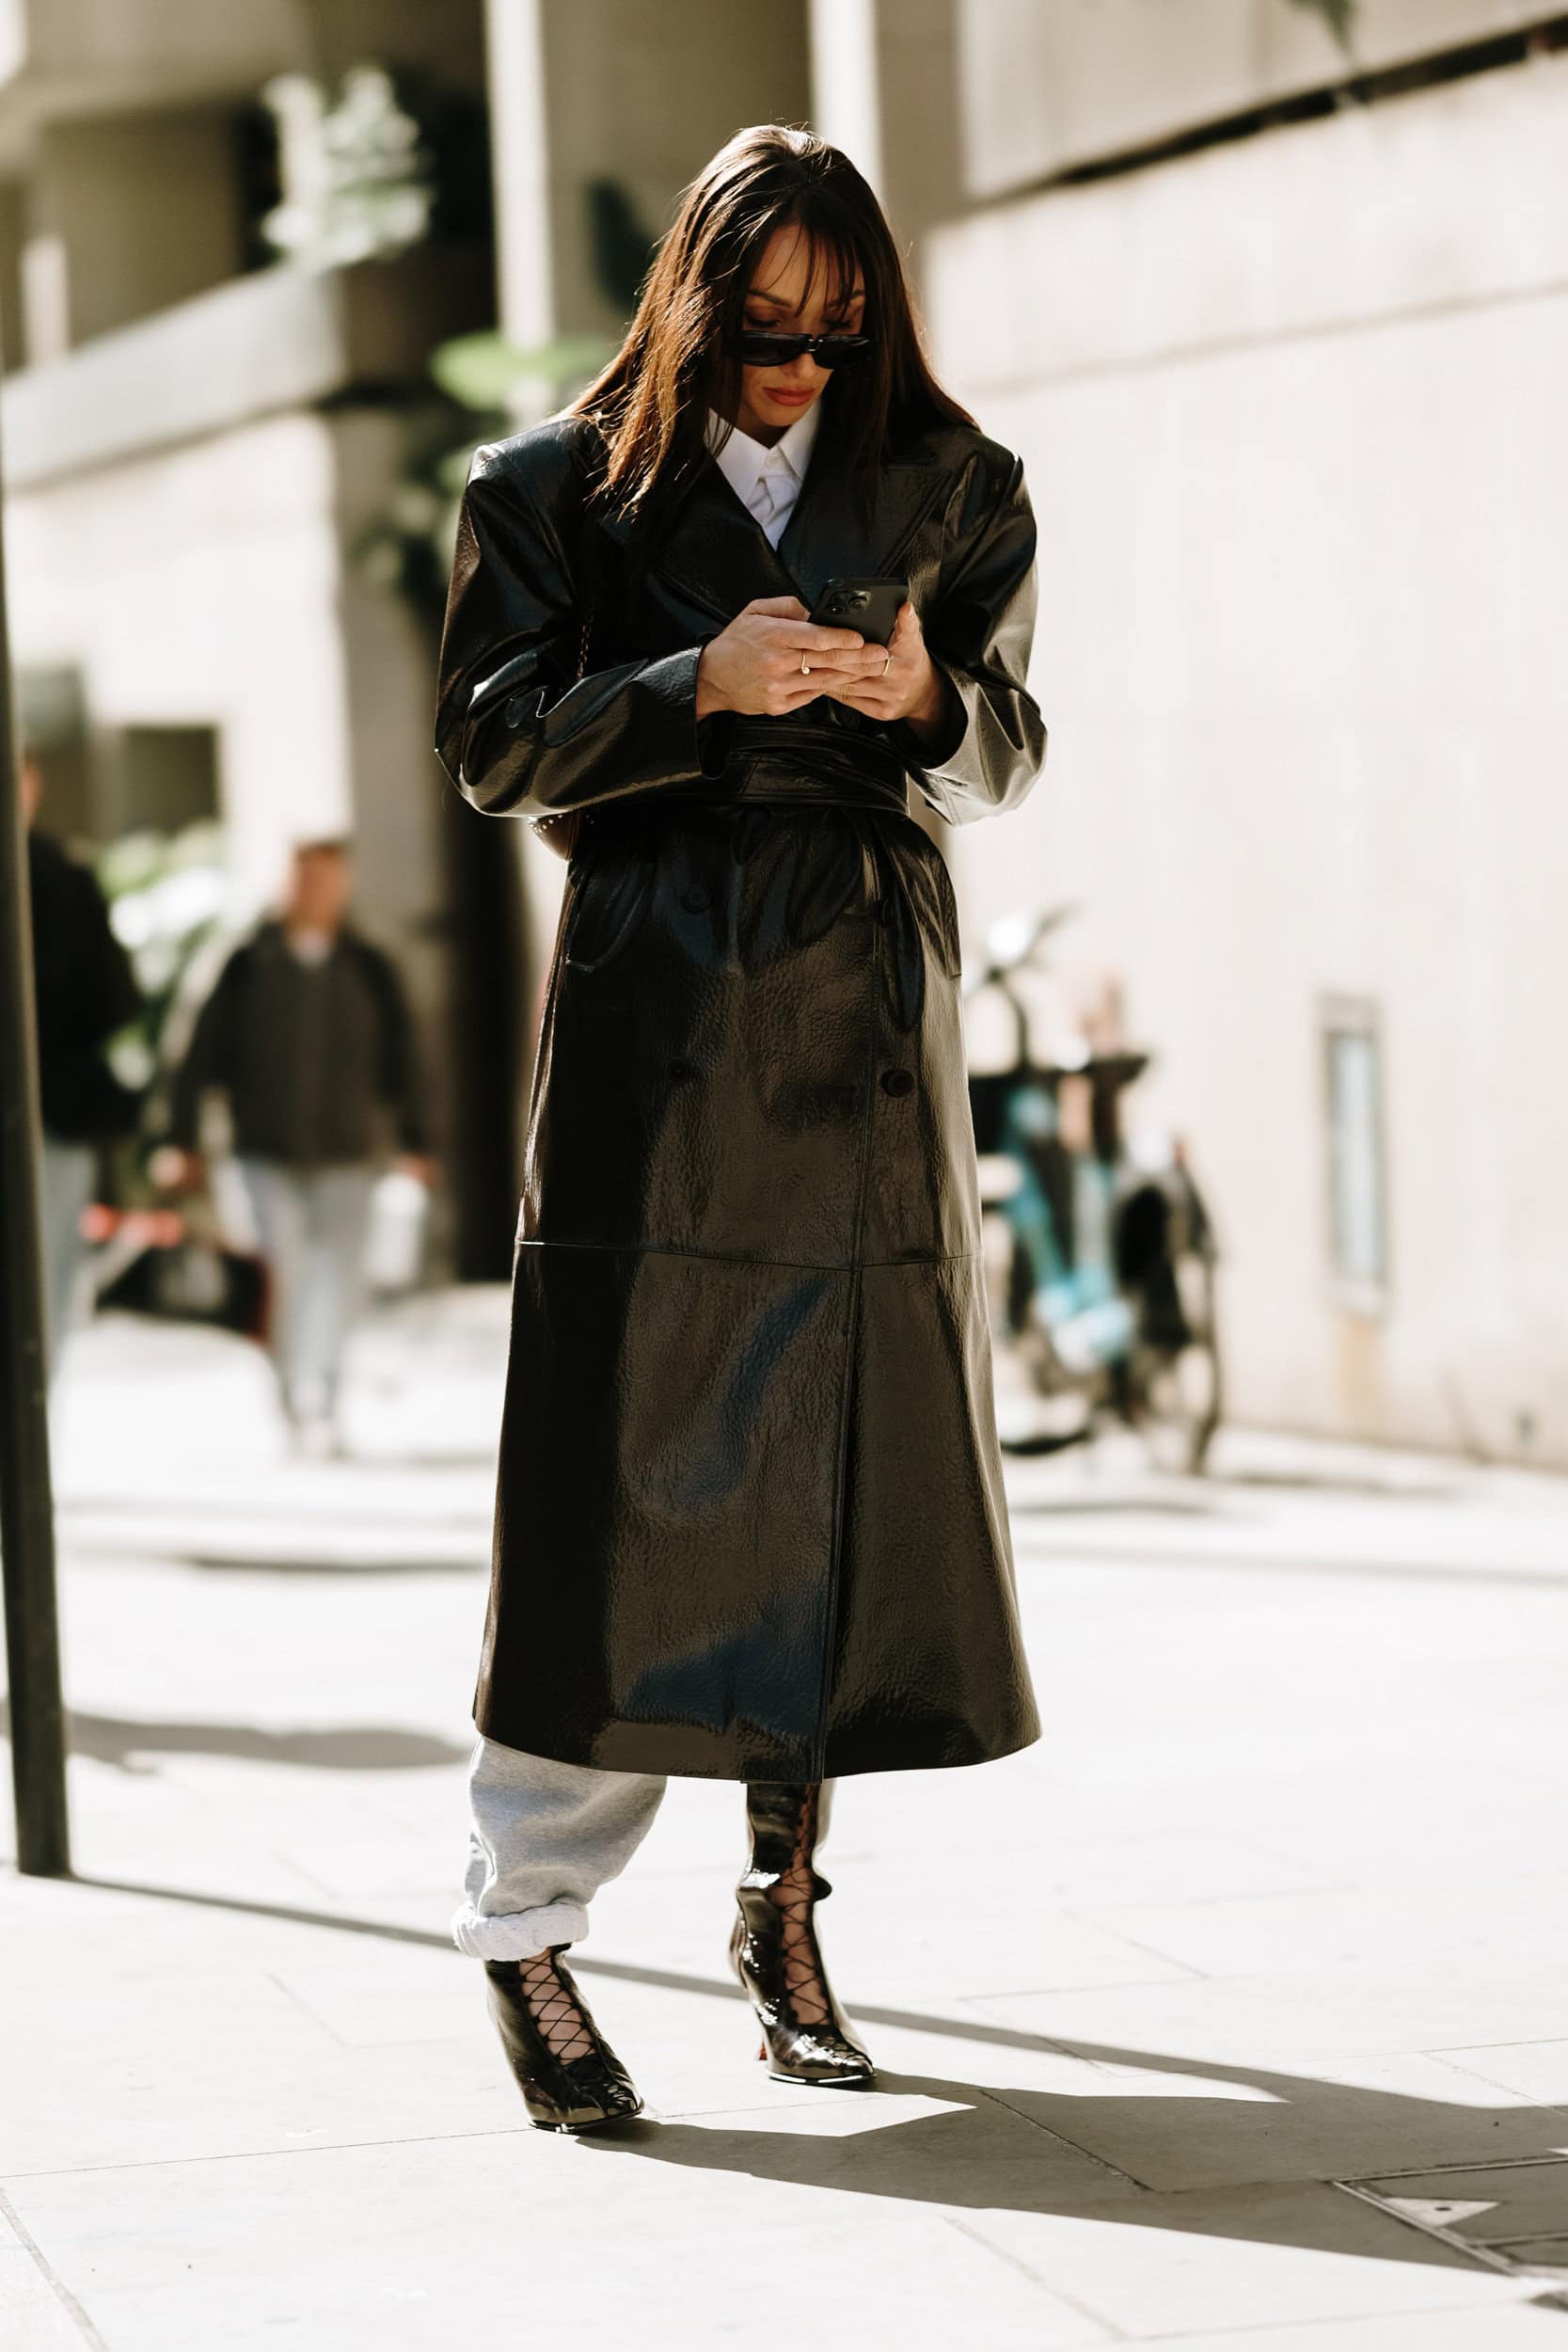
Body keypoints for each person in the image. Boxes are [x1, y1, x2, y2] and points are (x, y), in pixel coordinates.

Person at [435, 124, 1047, 2133]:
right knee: (616, 1478)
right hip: (660, 1018)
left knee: (843, 1467)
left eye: (832, 331)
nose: (796, 368)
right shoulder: (548, 486)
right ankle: (525, 1926)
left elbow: (1009, 743)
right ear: (692, 307)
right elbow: (490, 743)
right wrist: (690, 680)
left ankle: (784, 1907)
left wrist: (924, 698)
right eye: (762, 329)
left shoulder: (951, 482)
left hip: (864, 1012)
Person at [162, 838, 432, 1454]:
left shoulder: (369, 965)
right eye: (304, 878)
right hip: (264, 1151)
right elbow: (194, 1054)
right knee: (283, 1275)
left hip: (349, 1153)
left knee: (341, 1281)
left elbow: (405, 1060)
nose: (314, 891)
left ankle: (329, 1401)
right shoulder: (243, 963)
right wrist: (180, 1139)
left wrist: (417, 1141)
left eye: (326, 879)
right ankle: (288, 1399)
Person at [22, 748, 143, 1372]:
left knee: (53, 1266)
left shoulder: (66, 878)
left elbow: (113, 999)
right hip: (58, 1101)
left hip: (58, 1107)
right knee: (49, 1268)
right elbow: (116, 1001)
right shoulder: (67, 876)